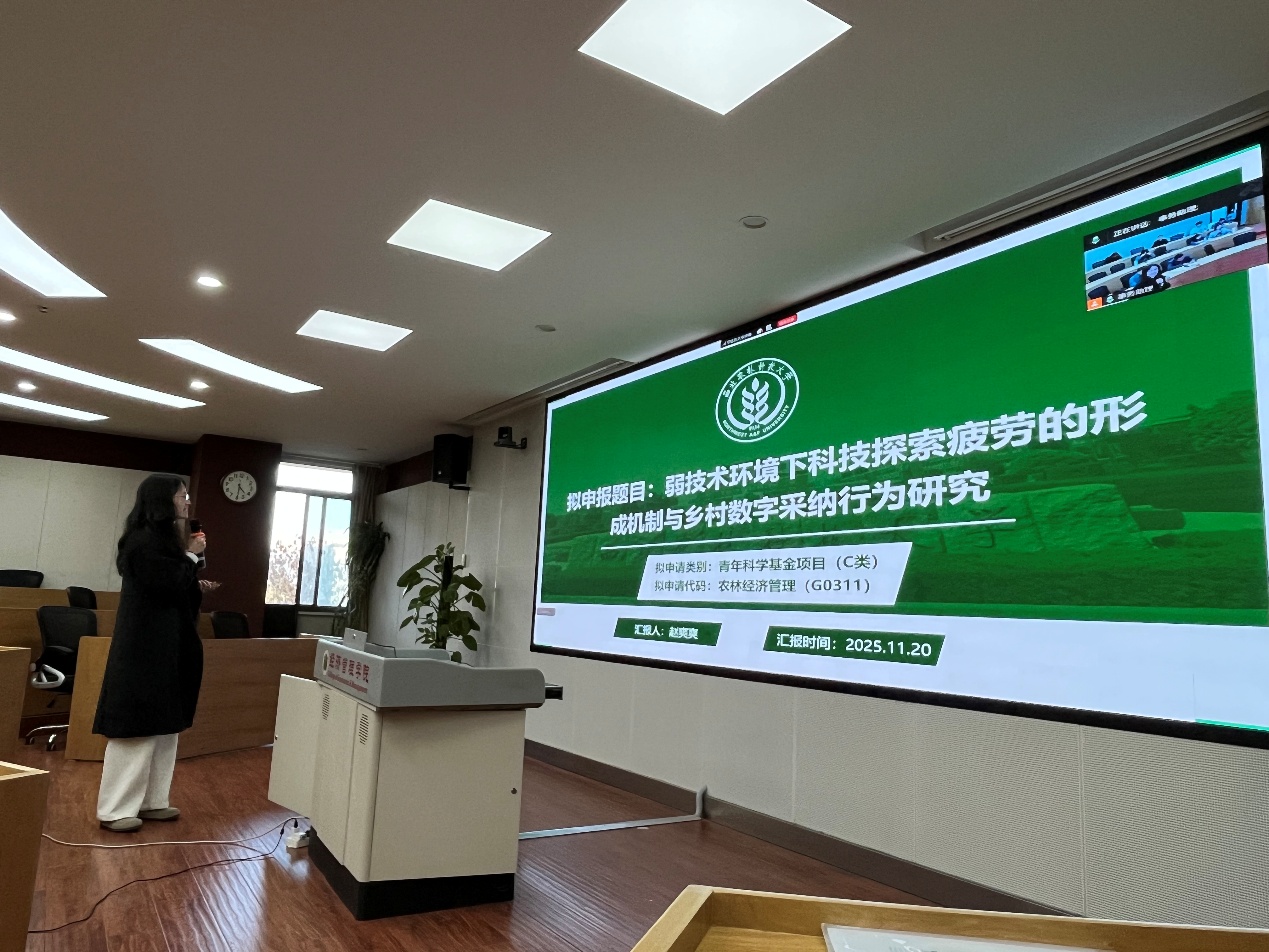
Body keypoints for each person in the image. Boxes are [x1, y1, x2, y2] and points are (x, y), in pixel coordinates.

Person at [94, 474, 219, 832]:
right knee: (137, 729)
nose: (187, 501)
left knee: (165, 727)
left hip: (169, 647)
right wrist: (190, 557)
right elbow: (165, 583)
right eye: (182, 496)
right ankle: (115, 810)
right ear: (163, 500)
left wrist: (192, 564)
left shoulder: (165, 541)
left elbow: (179, 588)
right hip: (144, 650)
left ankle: (152, 801)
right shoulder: (141, 540)